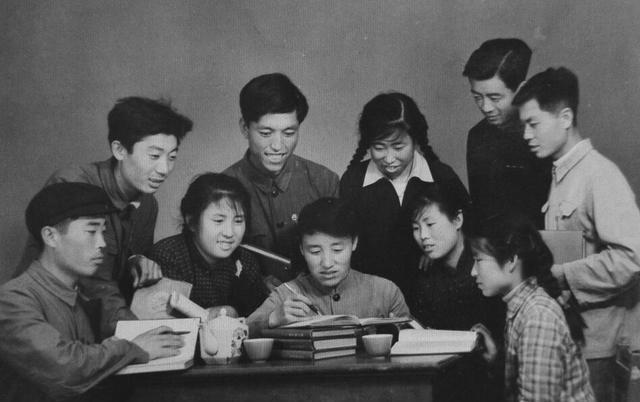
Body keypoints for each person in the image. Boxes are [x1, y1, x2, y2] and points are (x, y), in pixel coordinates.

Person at [15, 96, 193, 336]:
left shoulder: (148, 204)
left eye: (171, 157)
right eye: (154, 155)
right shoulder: (74, 185)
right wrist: (139, 337)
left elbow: (121, 280)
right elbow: (95, 285)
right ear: (119, 150)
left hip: (94, 328)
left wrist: (135, 260)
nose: (164, 169)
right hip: (39, 320)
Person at [512, 66, 640, 401]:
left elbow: (632, 259)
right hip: (578, 342)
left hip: (601, 347)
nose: (526, 135)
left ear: (565, 118)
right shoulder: (562, 175)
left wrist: (563, 275)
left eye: (533, 123)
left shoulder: (599, 174)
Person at [0, 183, 185, 402]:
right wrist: (134, 348)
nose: (102, 243)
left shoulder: (81, 297)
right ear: (50, 236)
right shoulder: (12, 300)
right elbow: (66, 369)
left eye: (103, 231)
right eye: (91, 231)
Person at [340, 91, 468, 290]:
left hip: (436, 290)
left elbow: (468, 231)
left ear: (415, 140)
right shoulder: (353, 181)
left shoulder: (441, 176)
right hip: (372, 291)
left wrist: (437, 247)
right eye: (379, 147)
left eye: (398, 147)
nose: (389, 159)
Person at [224, 73, 339, 287]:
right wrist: (257, 284)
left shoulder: (325, 182)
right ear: (244, 128)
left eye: (289, 133)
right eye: (266, 133)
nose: (278, 146)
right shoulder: (223, 187)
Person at [470, 213, 595, 402]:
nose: (473, 271)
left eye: (478, 260)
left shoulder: (537, 317)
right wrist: (496, 358)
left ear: (511, 260)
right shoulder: (524, 305)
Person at [247, 197, 410, 336]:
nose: (327, 263)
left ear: (354, 242)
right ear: (302, 249)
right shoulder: (285, 294)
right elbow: (240, 331)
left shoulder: (385, 292)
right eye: (315, 251)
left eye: (337, 250)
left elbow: (413, 342)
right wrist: (272, 319)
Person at [407, 184, 504, 402]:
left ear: (458, 220)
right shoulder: (425, 274)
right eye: (415, 228)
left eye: (430, 224)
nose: (423, 236)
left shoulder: (487, 264)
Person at [148, 173, 268, 317]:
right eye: (218, 221)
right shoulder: (168, 256)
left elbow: (259, 318)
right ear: (192, 221)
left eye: (238, 221)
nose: (229, 233)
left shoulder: (246, 261)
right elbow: (165, 321)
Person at [463, 38, 551, 228]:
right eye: (477, 97)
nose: (485, 107)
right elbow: (480, 210)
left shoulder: (547, 136)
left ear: (522, 90)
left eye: (495, 97)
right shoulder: (478, 137)